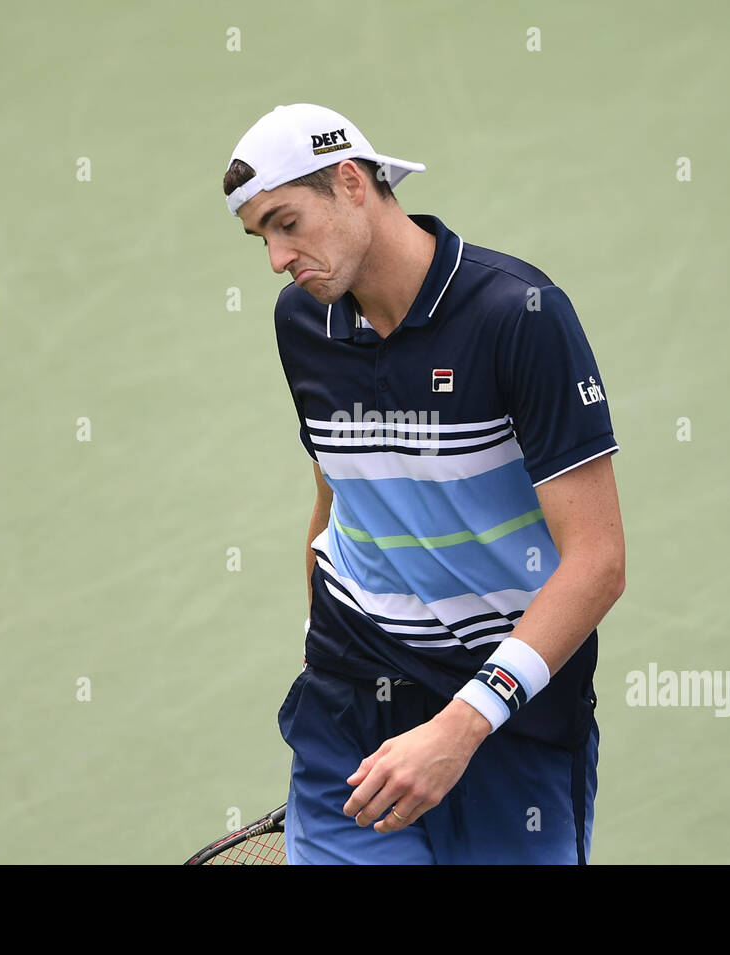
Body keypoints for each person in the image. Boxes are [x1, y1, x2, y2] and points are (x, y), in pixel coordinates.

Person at [222, 103, 626, 864]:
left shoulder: (519, 316)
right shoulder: (303, 324)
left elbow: (598, 562)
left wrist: (460, 724)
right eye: (261, 238)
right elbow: (337, 497)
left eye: (286, 222)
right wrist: (326, 660)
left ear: (350, 182)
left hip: (509, 724)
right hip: (348, 716)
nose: (277, 258)